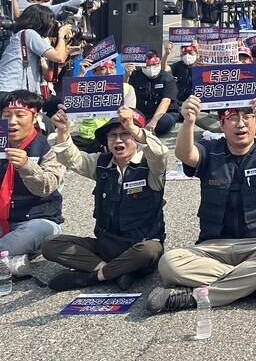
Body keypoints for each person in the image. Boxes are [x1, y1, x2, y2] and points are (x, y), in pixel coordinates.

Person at [147, 96, 256, 313]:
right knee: (168, 263)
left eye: (247, 117)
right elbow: (184, 154)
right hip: (214, 246)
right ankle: (252, 284)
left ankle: (191, 298)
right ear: (222, 124)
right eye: (232, 118)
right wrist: (188, 121)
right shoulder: (210, 149)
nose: (241, 124)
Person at [44, 105, 167, 291]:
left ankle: (91, 277)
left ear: (137, 137)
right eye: (113, 135)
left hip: (139, 246)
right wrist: (63, 131)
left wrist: (132, 126)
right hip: (106, 244)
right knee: (50, 244)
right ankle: (115, 271)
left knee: (150, 250)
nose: (118, 140)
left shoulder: (151, 165)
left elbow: (160, 153)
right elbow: (72, 159)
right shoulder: (101, 163)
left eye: (125, 134)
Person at [0, 90, 65, 278]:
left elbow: (47, 187)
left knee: (34, 232)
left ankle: (11, 254)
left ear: (35, 117)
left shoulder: (48, 146)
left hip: (35, 220)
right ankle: (11, 259)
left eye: (20, 115)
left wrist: (26, 166)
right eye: (6, 115)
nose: (12, 121)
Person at [0, 4, 74, 94]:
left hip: (19, 92)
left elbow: (48, 76)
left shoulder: (27, 39)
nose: (52, 25)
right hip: (11, 91)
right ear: (41, 22)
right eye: (50, 21)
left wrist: (66, 52)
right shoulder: (29, 34)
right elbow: (58, 56)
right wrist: (61, 34)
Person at [71, 58, 137, 152]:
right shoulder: (86, 87)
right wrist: (81, 73)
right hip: (84, 137)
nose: (108, 72)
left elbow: (129, 116)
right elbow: (71, 97)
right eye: (103, 69)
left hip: (111, 136)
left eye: (112, 68)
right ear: (94, 71)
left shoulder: (127, 89)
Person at [128, 50, 179, 136]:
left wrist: (154, 121)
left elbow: (166, 101)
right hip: (141, 114)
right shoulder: (135, 76)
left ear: (159, 63)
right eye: (148, 65)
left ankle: (143, 129)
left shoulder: (168, 78)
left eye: (155, 64)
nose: (151, 68)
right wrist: (127, 74)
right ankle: (143, 129)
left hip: (161, 115)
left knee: (166, 120)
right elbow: (126, 91)